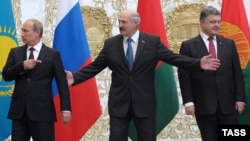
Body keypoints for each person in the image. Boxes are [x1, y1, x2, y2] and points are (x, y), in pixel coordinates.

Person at [66, 9, 220, 141]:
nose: (120, 25)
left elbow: (173, 58)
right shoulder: (111, 44)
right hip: (119, 104)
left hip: (144, 103)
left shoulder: (152, 42)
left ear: (136, 23)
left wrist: (197, 63)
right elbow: (95, 66)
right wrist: (76, 77)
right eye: (119, 21)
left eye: (124, 22)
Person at [177, 6, 246, 141]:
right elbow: (184, 77)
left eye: (218, 22)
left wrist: (240, 98)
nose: (216, 25)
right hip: (204, 105)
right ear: (202, 22)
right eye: (212, 22)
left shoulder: (229, 44)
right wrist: (188, 102)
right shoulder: (188, 46)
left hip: (229, 105)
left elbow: (237, 73)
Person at [2, 19, 71, 141]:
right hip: (19, 113)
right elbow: (6, 75)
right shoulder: (15, 52)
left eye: (25, 31)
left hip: (42, 113)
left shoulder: (52, 55)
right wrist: (22, 65)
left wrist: (65, 108)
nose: (22, 34)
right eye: (22, 30)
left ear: (37, 32)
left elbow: (62, 83)